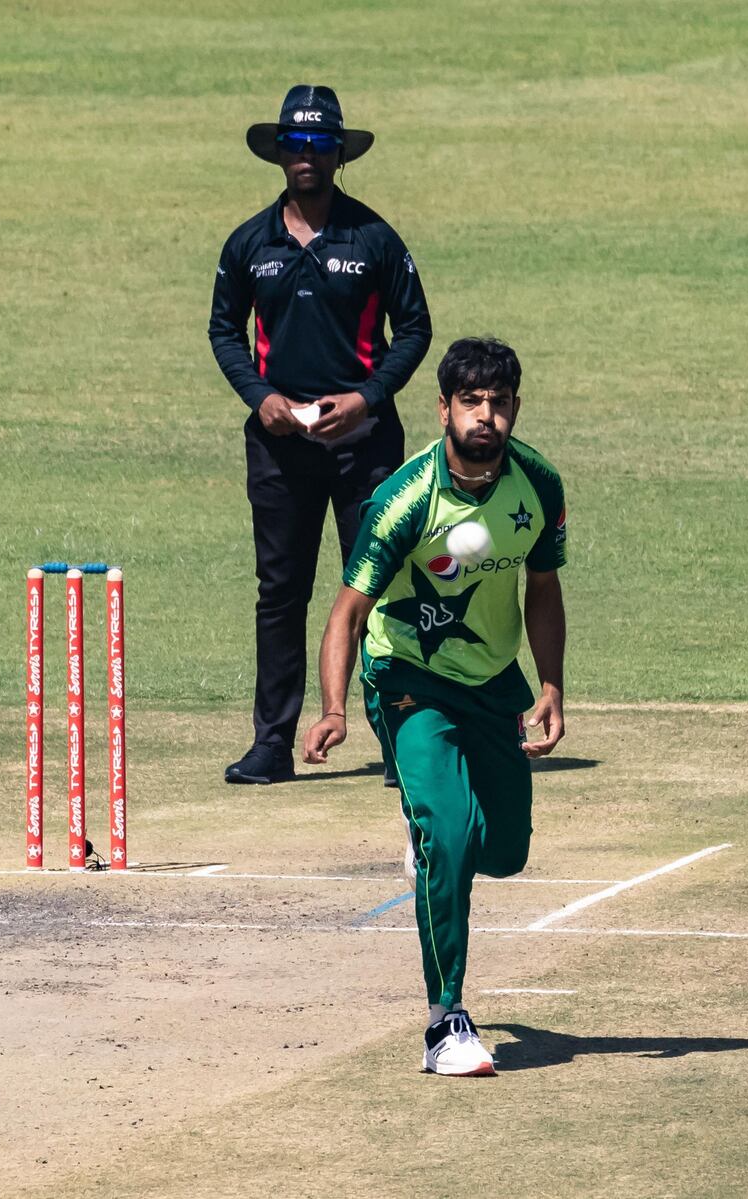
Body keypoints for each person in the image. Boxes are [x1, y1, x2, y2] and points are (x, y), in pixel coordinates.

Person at [303, 337, 567, 1076]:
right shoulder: (404, 499)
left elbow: (542, 588)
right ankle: (445, 1021)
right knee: (448, 835)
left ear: (516, 406)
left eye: (500, 402)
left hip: (492, 683)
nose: (487, 416)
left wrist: (551, 685)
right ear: (444, 407)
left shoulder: (538, 485)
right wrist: (332, 708)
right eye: (472, 402)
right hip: (408, 678)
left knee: (505, 850)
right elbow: (348, 612)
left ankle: (436, 844)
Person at [209, 84, 432, 785]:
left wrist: (366, 398)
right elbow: (224, 330)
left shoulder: (374, 239)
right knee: (280, 591)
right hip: (279, 446)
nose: (307, 156)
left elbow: (416, 329)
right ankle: (272, 745)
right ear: (279, 153)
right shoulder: (250, 242)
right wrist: (262, 397)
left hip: (364, 445)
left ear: (340, 153)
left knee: (381, 587)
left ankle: (400, 741)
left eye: (320, 144)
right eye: (296, 144)